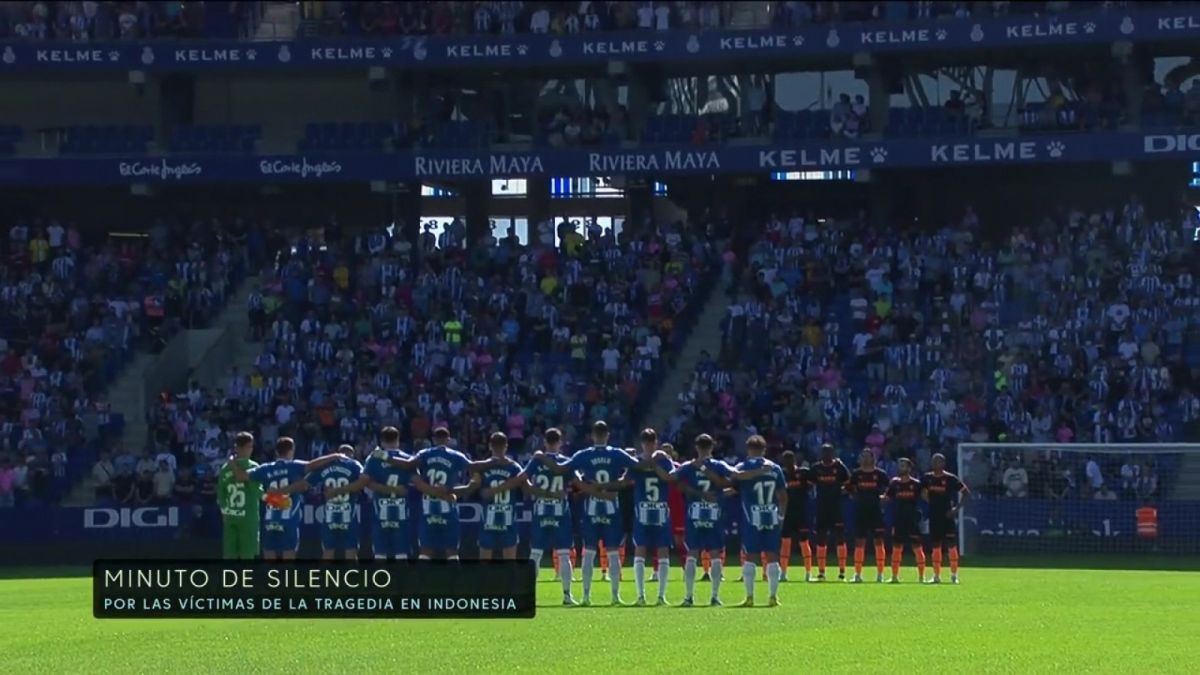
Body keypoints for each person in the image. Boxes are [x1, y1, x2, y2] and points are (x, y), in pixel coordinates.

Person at [535, 420, 666, 606]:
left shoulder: (584, 455)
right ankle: (615, 596)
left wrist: (541, 457)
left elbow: (560, 469)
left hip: (591, 510)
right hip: (611, 509)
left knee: (588, 553)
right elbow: (640, 466)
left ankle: (586, 596)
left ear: (592, 436)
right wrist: (657, 457)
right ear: (608, 435)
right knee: (613, 553)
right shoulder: (616, 454)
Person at [229, 436, 345, 560]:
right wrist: (334, 456)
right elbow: (313, 464)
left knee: (269, 554)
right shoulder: (294, 466)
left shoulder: (265, 468)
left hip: (270, 520)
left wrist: (232, 462)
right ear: (291, 450)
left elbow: (240, 476)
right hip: (289, 519)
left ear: (276, 452)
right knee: (289, 555)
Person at [386, 427, 490, 560]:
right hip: (448, 505)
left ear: (433, 440)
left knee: (425, 551)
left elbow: (408, 464)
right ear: (448, 440)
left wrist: (386, 457)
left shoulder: (424, 454)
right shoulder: (456, 455)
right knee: (452, 551)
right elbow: (473, 468)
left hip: (428, 507)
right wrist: (469, 485)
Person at [336, 426, 415, 560]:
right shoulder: (407, 459)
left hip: (380, 511)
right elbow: (416, 482)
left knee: (380, 553)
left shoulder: (374, 459)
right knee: (401, 552)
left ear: (382, 441)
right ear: (398, 440)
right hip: (401, 511)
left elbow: (364, 481)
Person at [670, 433, 730, 606]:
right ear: (712, 447)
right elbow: (732, 478)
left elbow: (672, 478)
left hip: (694, 515)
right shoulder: (719, 465)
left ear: (696, 447)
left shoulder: (689, 466)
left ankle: (688, 597)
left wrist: (694, 491)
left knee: (692, 554)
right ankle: (715, 597)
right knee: (715, 554)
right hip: (714, 514)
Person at [619, 428, 676, 605]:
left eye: (651, 442)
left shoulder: (662, 460)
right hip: (646, 511)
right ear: (643, 443)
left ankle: (660, 596)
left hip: (658, 511)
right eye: (647, 442)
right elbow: (625, 481)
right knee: (641, 550)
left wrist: (653, 464)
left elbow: (670, 478)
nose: (650, 445)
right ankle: (641, 595)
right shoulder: (643, 461)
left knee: (662, 551)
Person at [729, 435, 787, 607]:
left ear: (748, 449)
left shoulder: (742, 467)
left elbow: (733, 478)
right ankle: (773, 597)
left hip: (751, 517)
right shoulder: (775, 468)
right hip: (771, 515)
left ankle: (749, 597)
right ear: (764, 450)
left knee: (751, 556)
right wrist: (781, 516)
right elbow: (783, 496)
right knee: (772, 555)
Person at [522, 427, 575, 604]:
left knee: (535, 554)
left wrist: (537, 491)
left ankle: (528, 594)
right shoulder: (566, 462)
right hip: (561, 512)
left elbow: (522, 479)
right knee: (564, 555)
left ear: (545, 442)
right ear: (560, 443)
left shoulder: (537, 460)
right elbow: (577, 483)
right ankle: (567, 595)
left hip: (541, 510)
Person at [306, 446, 366, 560]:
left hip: (330, 516)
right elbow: (364, 481)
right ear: (351, 454)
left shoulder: (325, 466)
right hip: (348, 515)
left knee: (328, 551)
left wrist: (323, 492)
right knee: (351, 551)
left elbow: (307, 483)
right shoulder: (354, 465)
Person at [923, 452, 970, 584]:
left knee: (951, 544)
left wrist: (956, 509)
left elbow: (966, 492)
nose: (935, 463)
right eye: (933, 461)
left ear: (943, 463)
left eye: (938, 461)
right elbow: (920, 490)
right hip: (934, 516)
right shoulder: (927, 478)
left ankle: (954, 575)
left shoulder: (950, 478)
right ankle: (936, 575)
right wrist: (929, 501)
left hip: (947, 515)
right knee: (936, 545)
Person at [475, 432, 524, 560]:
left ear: (490, 446)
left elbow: (477, 490)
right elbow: (527, 489)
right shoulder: (514, 467)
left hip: (488, 519)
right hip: (508, 518)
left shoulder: (481, 467)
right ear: (506, 446)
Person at [845, 448, 889, 583]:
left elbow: (890, 488)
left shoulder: (880, 474)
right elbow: (849, 488)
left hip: (876, 511)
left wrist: (884, 497)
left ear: (872, 458)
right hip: (861, 511)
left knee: (878, 542)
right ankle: (858, 574)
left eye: (867, 456)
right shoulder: (856, 474)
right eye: (862, 456)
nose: (864, 458)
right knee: (860, 542)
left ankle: (880, 574)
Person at [216, 432, 262, 559]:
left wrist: (224, 511)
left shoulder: (225, 468)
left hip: (230, 516)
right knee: (247, 555)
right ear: (247, 447)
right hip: (248, 518)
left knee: (229, 554)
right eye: (250, 446)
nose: (251, 449)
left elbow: (220, 493)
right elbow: (258, 492)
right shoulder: (253, 467)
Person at [811, 443, 850, 581]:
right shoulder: (816, 468)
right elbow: (809, 483)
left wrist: (843, 491)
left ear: (833, 453)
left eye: (828, 452)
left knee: (840, 538)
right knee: (821, 538)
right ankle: (821, 572)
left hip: (836, 508)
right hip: (821, 508)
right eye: (824, 452)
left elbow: (849, 482)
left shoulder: (839, 467)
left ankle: (842, 572)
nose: (826, 455)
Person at [884, 458, 926, 583]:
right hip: (899, 520)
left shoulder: (916, 484)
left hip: (912, 520)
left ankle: (921, 577)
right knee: (897, 547)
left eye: (903, 465)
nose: (900, 468)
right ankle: (894, 576)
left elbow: (926, 497)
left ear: (909, 468)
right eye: (899, 465)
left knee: (917, 547)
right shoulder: (894, 483)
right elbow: (887, 497)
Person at [779, 450, 815, 582]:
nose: (787, 463)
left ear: (794, 460)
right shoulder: (781, 474)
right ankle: (783, 573)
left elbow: (812, 484)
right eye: (785, 461)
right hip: (787, 513)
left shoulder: (804, 473)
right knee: (785, 542)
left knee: (804, 542)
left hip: (801, 513)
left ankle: (808, 573)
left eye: (789, 460)